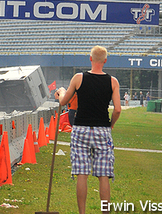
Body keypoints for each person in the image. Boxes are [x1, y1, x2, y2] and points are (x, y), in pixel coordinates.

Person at [54, 45, 121, 214]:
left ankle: (82, 212)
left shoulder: (78, 78)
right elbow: (118, 109)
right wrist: (111, 124)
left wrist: (61, 92)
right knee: (104, 175)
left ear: (90, 59)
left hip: (81, 129)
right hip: (102, 130)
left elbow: (64, 102)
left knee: (82, 174)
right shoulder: (113, 81)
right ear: (105, 61)